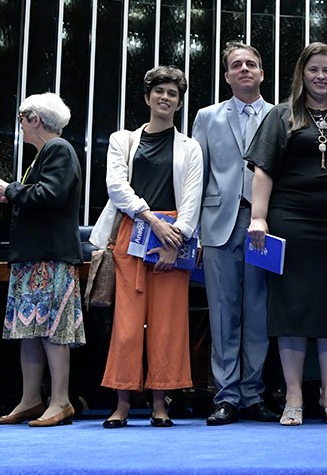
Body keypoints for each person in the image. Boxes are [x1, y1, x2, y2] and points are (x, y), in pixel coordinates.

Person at [246, 42, 327, 426]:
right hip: (291, 221)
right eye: (313, 69)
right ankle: (293, 397)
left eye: (326, 70)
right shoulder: (281, 116)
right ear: (301, 73)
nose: (320, 76)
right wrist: (259, 218)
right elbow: (262, 171)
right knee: (290, 308)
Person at [90, 65, 203, 428]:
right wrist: (152, 220)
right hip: (133, 229)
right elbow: (116, 187)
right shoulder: (123, 139)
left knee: (167, 324)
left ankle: (160, 403)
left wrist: (177, 240)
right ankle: (122, 404)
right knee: (126, 324)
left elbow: (193, 198)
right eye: (159, 91)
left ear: (179, 102)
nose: (165, 97)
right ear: (147, 97)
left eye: (172, 93)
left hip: (174, 238)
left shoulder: (190, 147)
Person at [0, 92, 86, 427]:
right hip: (34, 256)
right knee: (27, 330)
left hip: (50, 258)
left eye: (22, 117)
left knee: (52, 331)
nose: (20, 124)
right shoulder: (47, 152)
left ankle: (60, 401)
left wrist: (10, 189)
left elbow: (50, 195)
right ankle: (31, 400)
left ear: (36, 119)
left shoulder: (58, 149)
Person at [191, 42, 278, 425]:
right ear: (226, 76)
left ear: (262, 73)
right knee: (223, 313)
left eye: (251, 64)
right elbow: (197, 177)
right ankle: (225, 396)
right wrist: (192, 232)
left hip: (265, 225)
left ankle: (253, 394)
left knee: (258, 312)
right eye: (236, 65)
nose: (244, 69)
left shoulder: (281, 115)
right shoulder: (207, 116)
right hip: (218, 222)